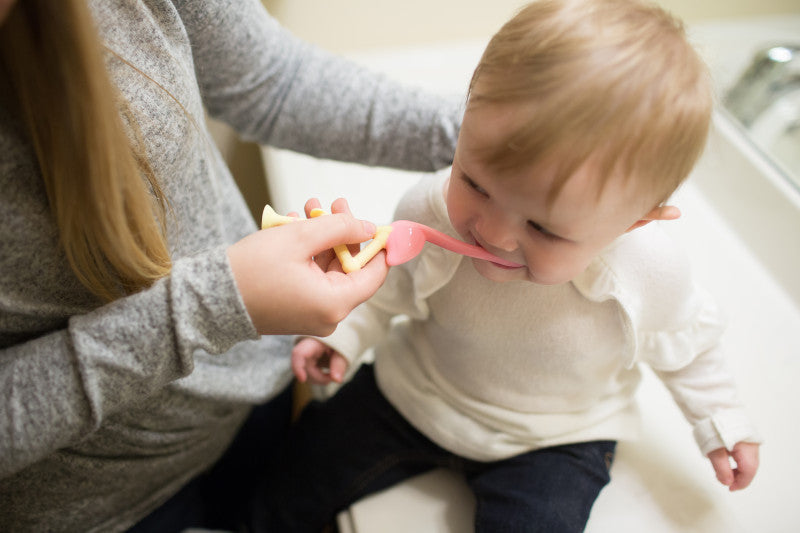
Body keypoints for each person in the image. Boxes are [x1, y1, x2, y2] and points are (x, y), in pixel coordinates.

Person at [273, 0, 762, 531]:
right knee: (287, 478)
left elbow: (687, 345)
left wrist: (721, 425)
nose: (494, 233)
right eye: (475, 183)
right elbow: (389, 287)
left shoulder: (648, 269)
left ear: (634, 223)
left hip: (556, 439)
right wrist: (342, 334)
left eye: (544, 228)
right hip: (415, 394)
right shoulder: (428, 210)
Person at [0, 0, 461, 530]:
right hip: (92, 509)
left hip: (254, 396)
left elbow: (271, 79)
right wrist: (216, 303)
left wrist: (499, 147)